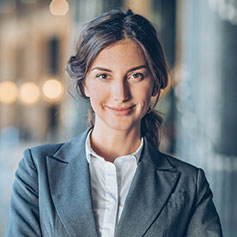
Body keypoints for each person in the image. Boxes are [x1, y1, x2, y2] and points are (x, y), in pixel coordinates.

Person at [6, 9, 223, 237]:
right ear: (85, 84)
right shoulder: (38, 169)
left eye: (135, 75)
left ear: (155, 82)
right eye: (104, 76)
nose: (120, 94)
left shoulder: (189, 185)